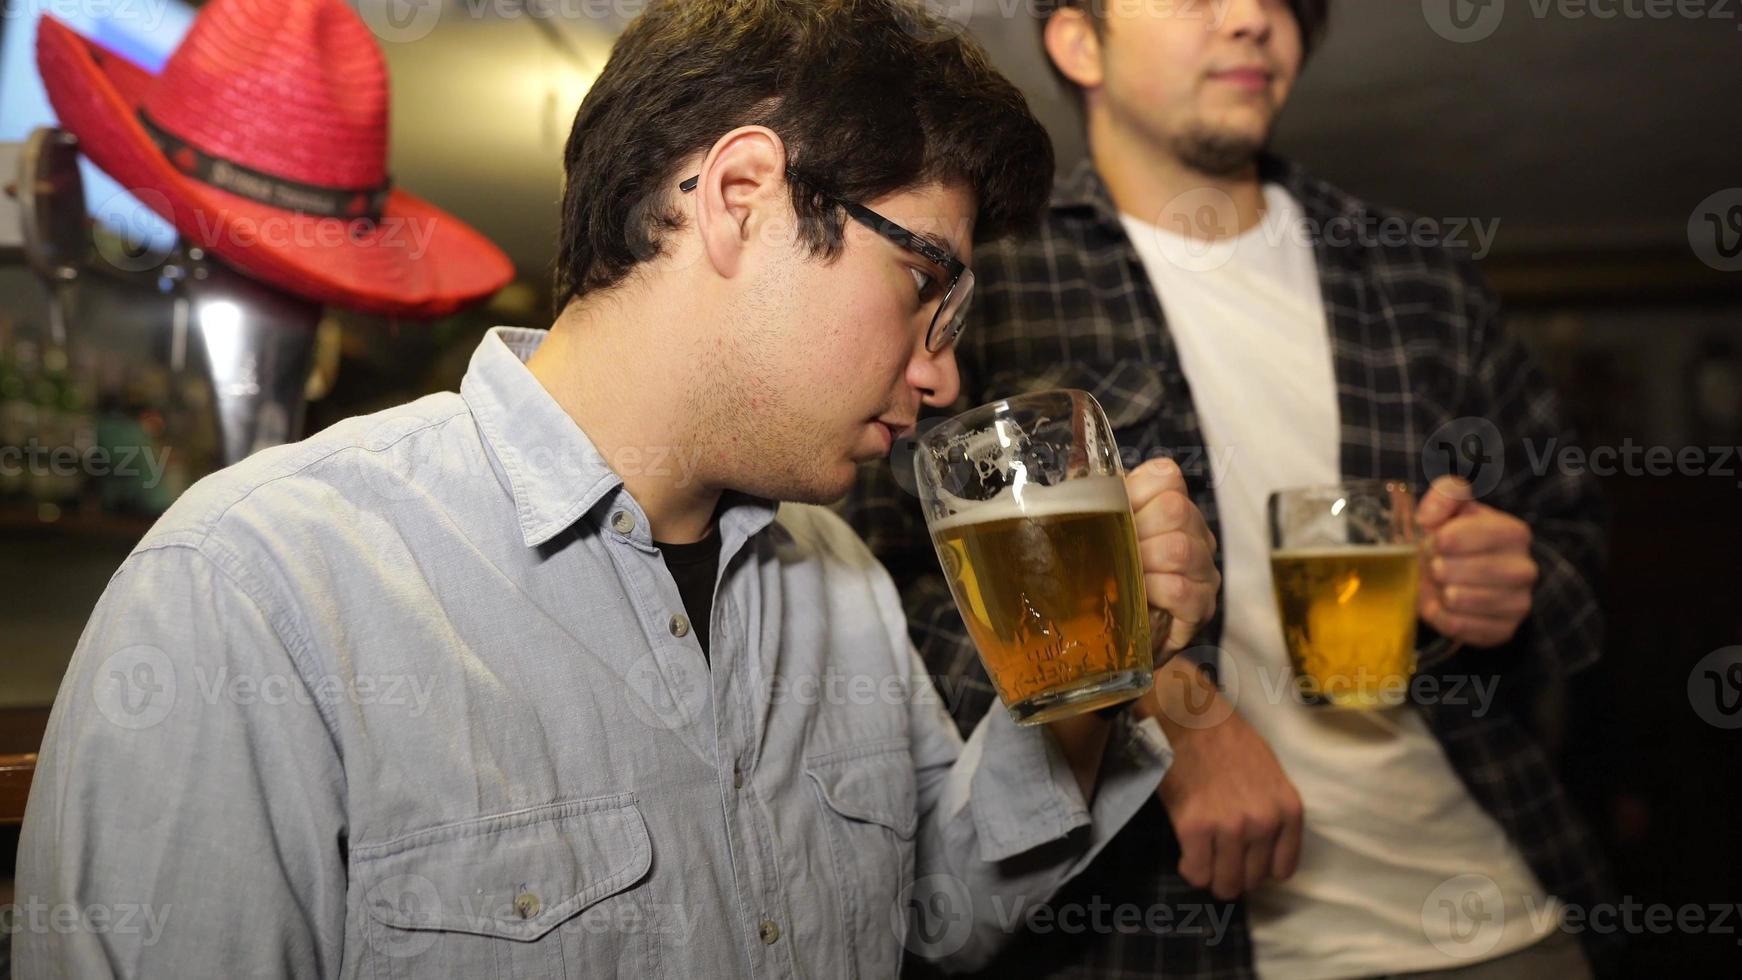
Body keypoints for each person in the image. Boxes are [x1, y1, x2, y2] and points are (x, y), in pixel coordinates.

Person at [14, 0, 1224, 977]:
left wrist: (1084, 689)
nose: (944, 370)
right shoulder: (255, 586)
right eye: (925, 286)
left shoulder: (837, 573)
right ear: (742, 197)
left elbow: (938, 914)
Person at [844, 1, 1617, 977]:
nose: (1252, 18)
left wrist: (1506, 584)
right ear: (1077, 39)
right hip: (1158, 935)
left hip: (1494, 905)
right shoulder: (980, 283)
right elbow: (886, 590)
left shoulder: (1423, 278)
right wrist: (1150, 705)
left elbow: (1571, 551)